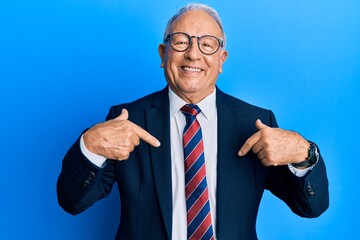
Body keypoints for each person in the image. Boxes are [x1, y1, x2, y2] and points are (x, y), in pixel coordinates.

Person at [57, 3, 329, 240]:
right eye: (181, 42)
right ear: (163, 54)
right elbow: (72, 202)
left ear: (221, 60)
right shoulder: (126, 120)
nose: (193, 54)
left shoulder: (256, 123)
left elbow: (311, 207)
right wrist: (89, 145)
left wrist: (304, 153)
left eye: (207, 44)